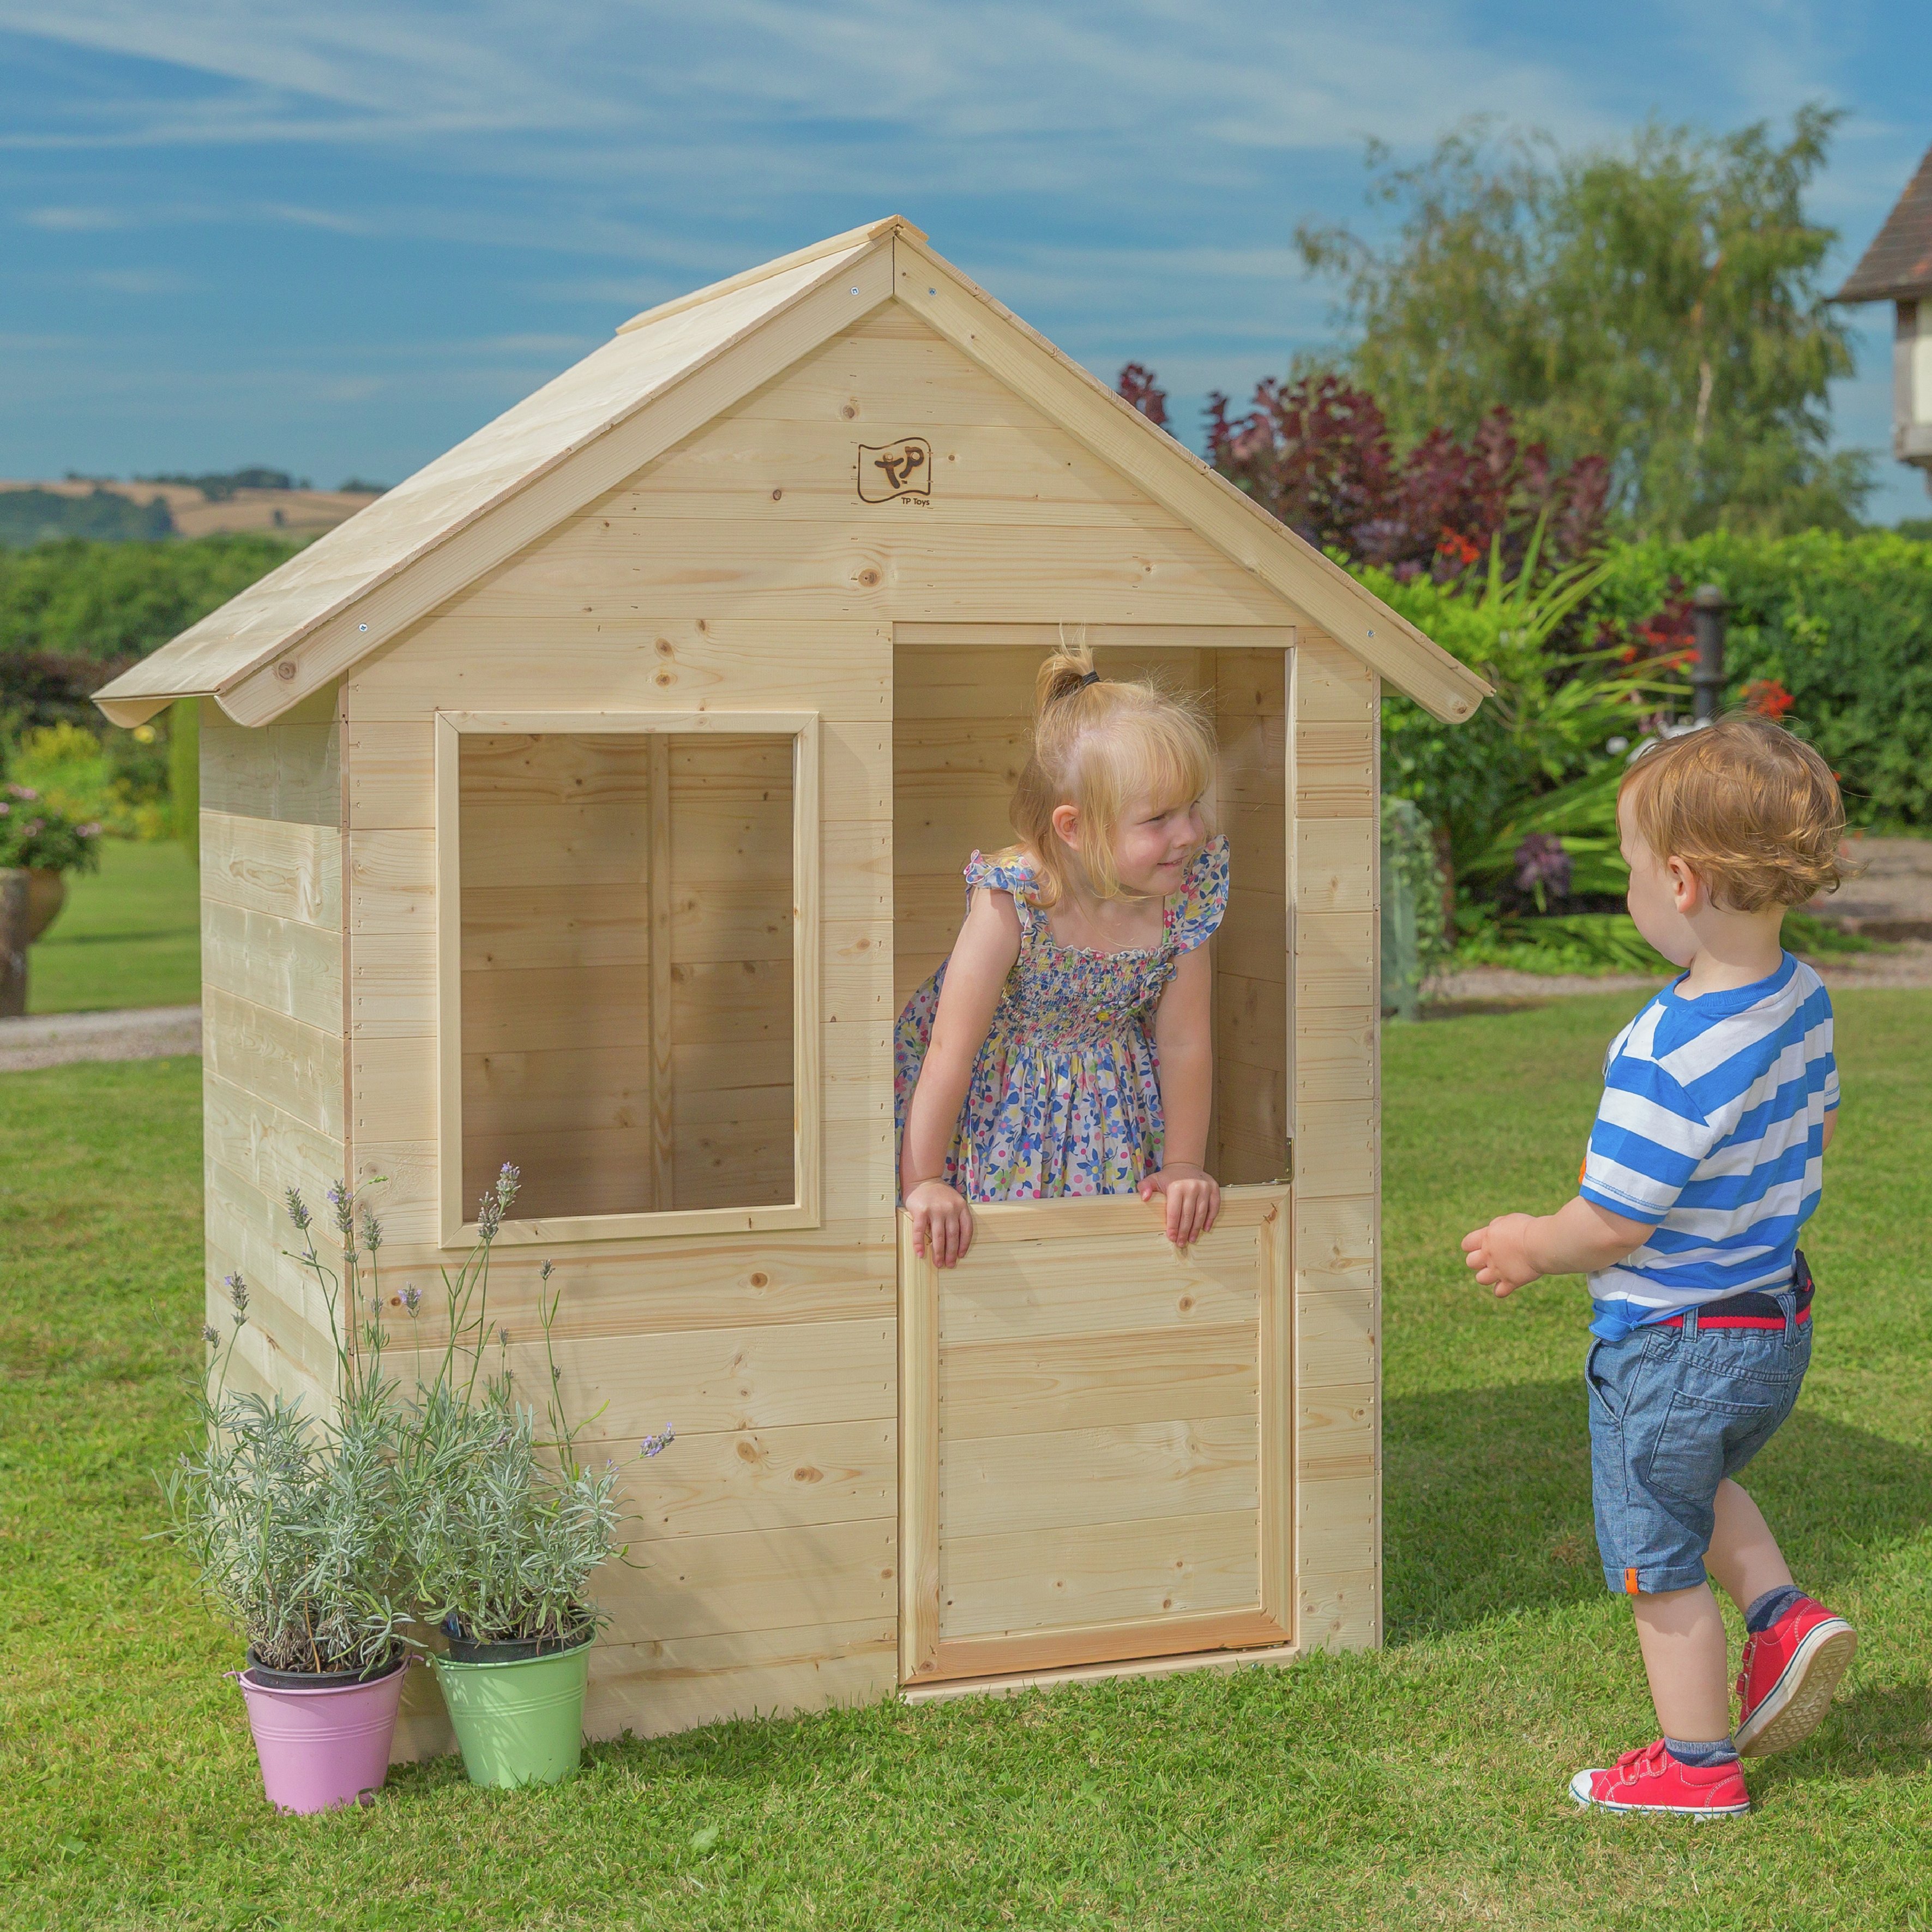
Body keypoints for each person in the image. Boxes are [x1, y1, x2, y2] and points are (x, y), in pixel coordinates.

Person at [1462, 713, 1857, 1818]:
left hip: (1670, 1344)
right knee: (1695, 1479)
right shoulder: (1802, 995)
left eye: (1633, 866)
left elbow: (1610, 1223)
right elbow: (1815, 1132)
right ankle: (1780, 1614)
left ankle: (1695, 1766)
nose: (1632, 886)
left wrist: (1524, 1244)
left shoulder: (1665, 1050)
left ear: (1678, 880)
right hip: (1769, 1328)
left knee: (1655, 1554)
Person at [896, 646, 1227, 1267]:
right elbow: (950, 1051)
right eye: (1159, 818)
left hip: (1109, 1107)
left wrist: (1184, 1164)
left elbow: (1185, 1044)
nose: (1189, 834)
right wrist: (925, 1182)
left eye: (1193, 807)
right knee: (993, 1255)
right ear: (1074, 828)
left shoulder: (1184, 902)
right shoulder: (1010, 903)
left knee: (1101, 1259)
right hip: (997, 1108)